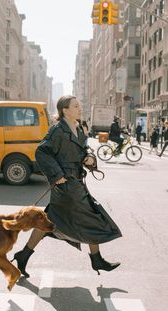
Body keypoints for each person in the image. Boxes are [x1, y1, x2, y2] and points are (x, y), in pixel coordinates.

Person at [12, 95, 122, 277]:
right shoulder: (57, 130)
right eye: (76, 106)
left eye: (79, 106)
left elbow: (84, 149)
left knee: (51, 220)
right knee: (91, 216)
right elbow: (42, 152)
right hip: (66, 184)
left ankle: (23, 255)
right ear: (65, 110)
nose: (80, 109)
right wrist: (57, 175)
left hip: (74, 181)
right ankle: (97, 259)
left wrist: (89, 158)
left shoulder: (78, 129)